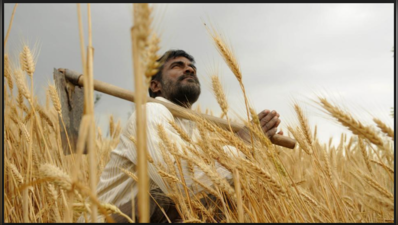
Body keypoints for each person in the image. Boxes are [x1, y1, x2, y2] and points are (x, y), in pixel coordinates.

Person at [77, 49, 283, 223]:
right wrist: (242, 144)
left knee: (230, 191)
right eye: (177, 65)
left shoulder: (194, 132)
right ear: (156, 86)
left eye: (191, 66)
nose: (189, 68)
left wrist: (253, 151)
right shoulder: (151, 112)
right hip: (109, 218)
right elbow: (179, 182)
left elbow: (214, 178)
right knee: (165, 199)